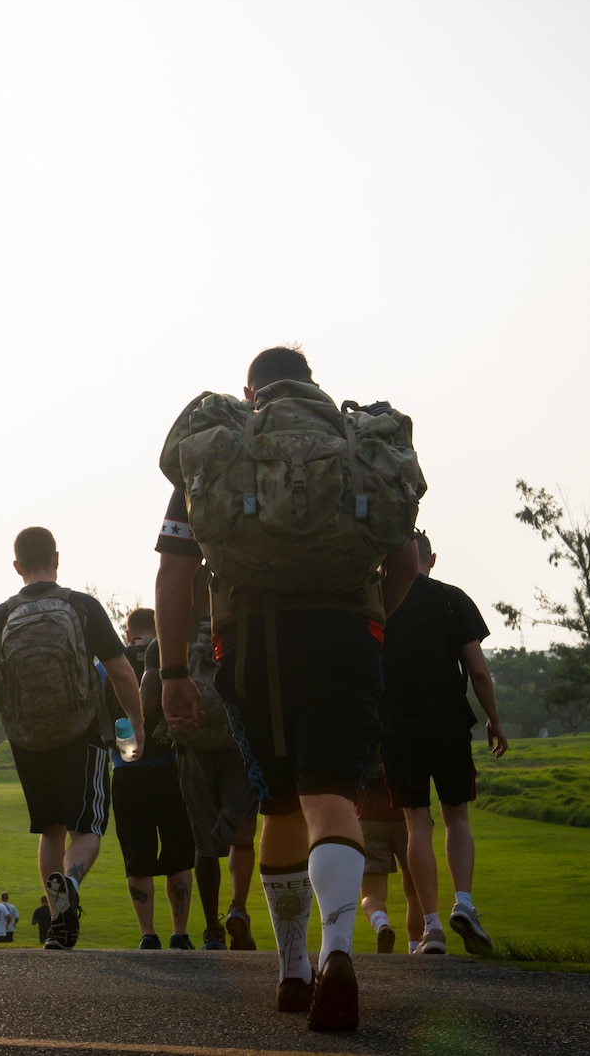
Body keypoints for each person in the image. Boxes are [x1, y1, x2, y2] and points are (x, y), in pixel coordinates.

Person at [154, 346, 424, 1032]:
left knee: (275, 805)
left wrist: (176, 673)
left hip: (252, 640)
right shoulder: (358, 444)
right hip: (346, 631)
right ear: (314, 385)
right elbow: (403, 563)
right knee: (332, 795)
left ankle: (293, 971)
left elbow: (174, 573)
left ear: (253, 391)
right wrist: (372, 620)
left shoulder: (221, 445)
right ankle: (340, 949)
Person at [0, 526, 145, 950]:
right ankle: (71, 882)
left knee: (51, 830)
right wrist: (136, 725)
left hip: (26, 738)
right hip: (80, 732)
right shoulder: (81, 607)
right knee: (87, 828)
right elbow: (120, 672)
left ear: (16, 567)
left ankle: (59, 923)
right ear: (56, 559)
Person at [380, 531, 508, 956]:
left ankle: (431, 927)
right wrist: (494, 719)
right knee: (457, 818)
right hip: (449, 722)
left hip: (397, 725)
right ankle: (465, 904)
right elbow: (478, 671)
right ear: (430, 558)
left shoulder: (378, 601)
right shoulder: (453, 600)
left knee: (418, 823)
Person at [161, 569, 259, 951]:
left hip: (192, 743)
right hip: (240, 740)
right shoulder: (240, 630)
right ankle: (239, 908)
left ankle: (212, 929)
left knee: (203, 844)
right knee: (243, 835)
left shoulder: (171, 642)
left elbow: (152, 691)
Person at [112, 607, 197, 950]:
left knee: (138, 856)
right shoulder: (171, 655)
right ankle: (180, 932)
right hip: (171, 768)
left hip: (127, 769)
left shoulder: (111, 663)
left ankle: (148, 934)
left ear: (129, 633)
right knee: (179, 853)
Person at [357, 764, 419, 953]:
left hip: (368, 815)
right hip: (407, 815)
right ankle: (415, 948)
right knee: (416, 893)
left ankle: (381, 923)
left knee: (371, 895)